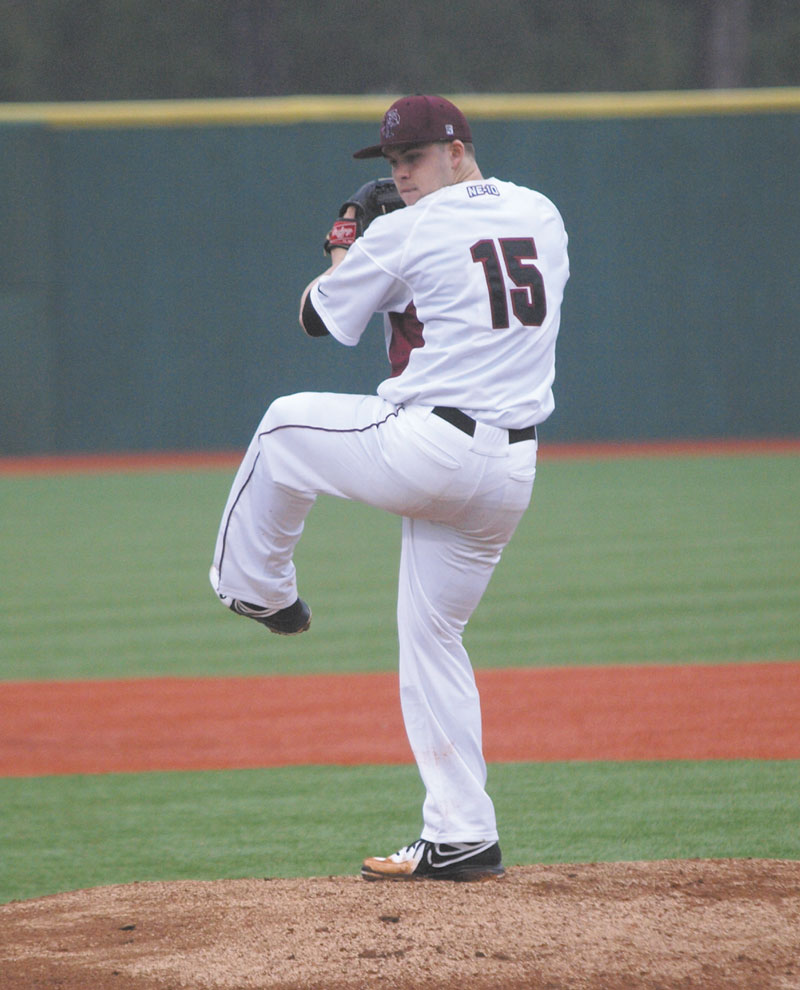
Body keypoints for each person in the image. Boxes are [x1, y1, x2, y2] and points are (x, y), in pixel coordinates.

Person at [210, 94, 569, 881]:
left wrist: (346, 240)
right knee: (433, 637)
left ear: (456, 148)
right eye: (393, 163)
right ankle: (462, 832)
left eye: (412, 157)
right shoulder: (541, 212)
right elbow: (462, 285)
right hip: (510, 472)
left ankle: (256, 588)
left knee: (280, 427)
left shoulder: (402, 230)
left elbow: (315, 317)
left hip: (433, 449)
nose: (401, 174)